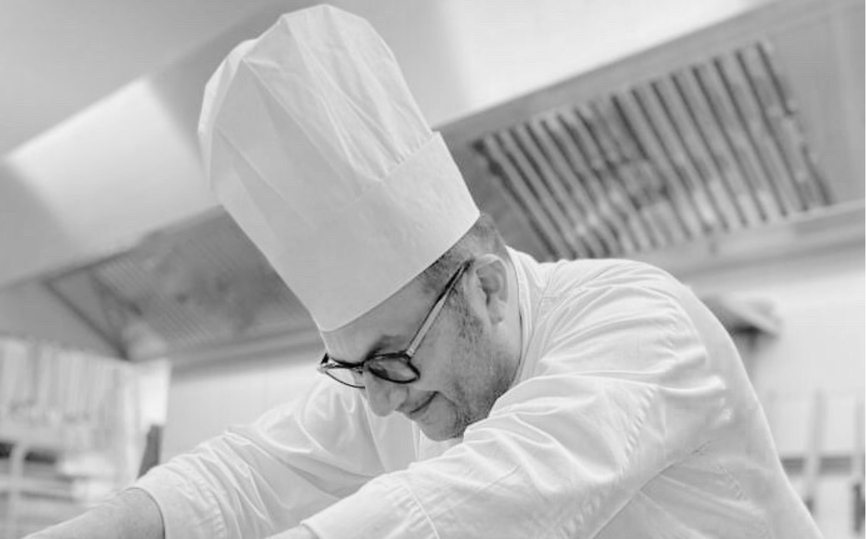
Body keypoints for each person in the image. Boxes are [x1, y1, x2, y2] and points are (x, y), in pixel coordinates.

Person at [31, 5, 822, 539]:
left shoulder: (638, 320)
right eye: (351, 365)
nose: (379, 396)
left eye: (387, 357)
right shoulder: (400, 376)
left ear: (484, 286)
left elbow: (473, 497)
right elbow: (248, 472)